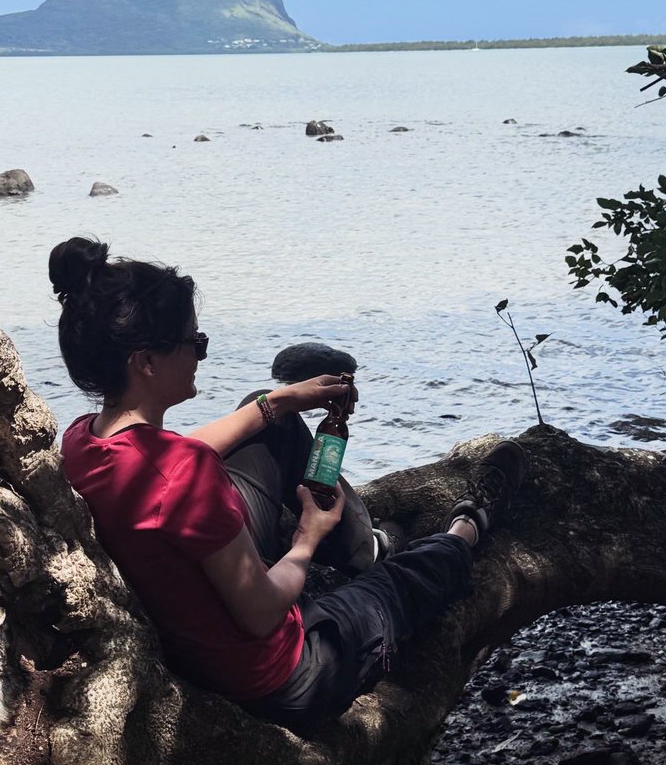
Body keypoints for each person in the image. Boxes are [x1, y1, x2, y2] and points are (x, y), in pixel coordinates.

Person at [50, 236, 527, 734]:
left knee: (262, 414)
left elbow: (173, 461)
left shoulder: (82, 439)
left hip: (196, 635)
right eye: (195, 342)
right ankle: (467, 526)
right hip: (285, 674)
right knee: (404, 584)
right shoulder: (185, 473)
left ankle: (365, 550)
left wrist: (280, 401)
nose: (201, 355)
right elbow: (259, 615)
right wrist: (307, 538)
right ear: (147, 362)